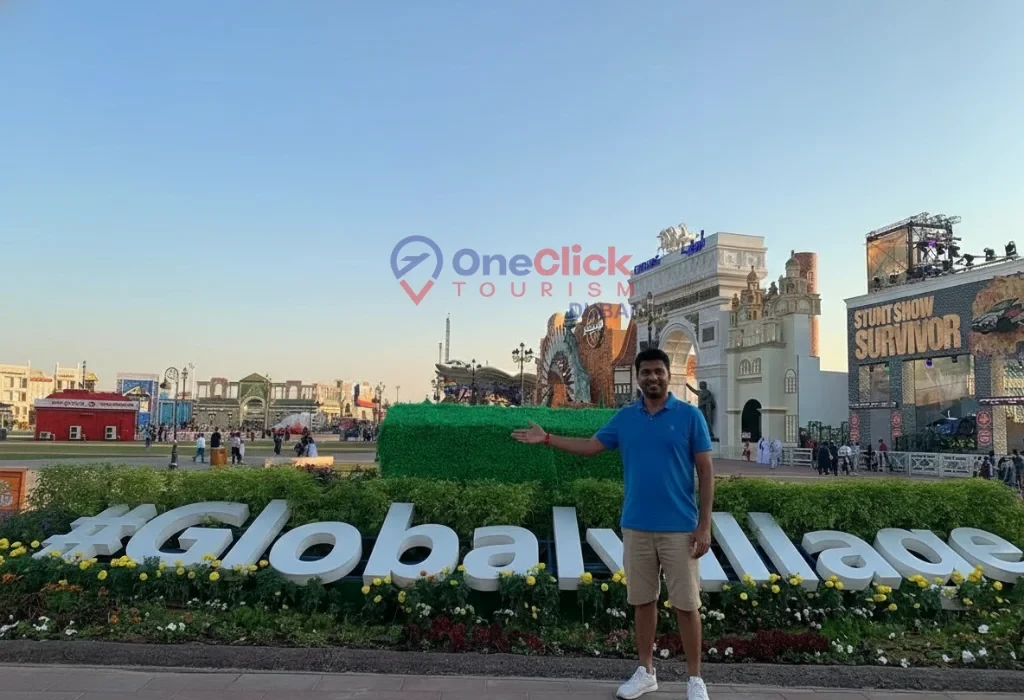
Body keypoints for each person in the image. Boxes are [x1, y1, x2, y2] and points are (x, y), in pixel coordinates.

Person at [512, 348, 713, 700]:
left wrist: (704, 524)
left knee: (686, 604)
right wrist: (546, 438)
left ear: (669, 374)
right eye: (646, 372)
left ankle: (695, 679)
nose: (653, 377)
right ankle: (646, 671)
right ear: (638, 378)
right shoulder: (626, 418)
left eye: (658, 371)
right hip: (636, 526)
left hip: (680, 527)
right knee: (642, 601)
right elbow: (591, 446)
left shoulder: (689, 417)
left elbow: (706, 471)